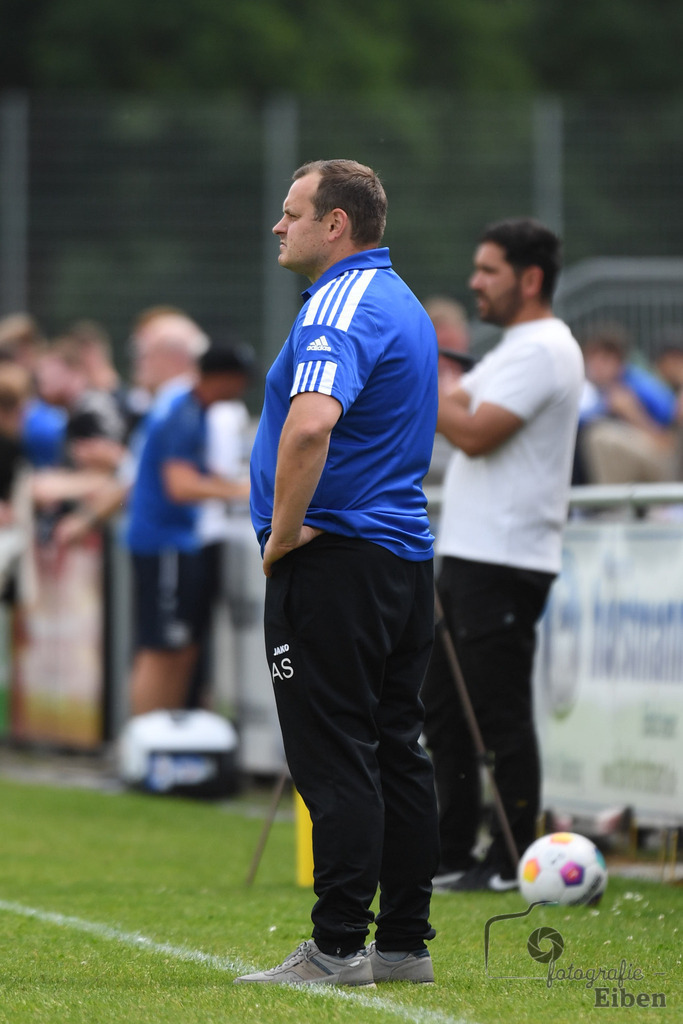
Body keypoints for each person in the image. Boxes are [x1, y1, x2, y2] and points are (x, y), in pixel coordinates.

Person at [237, 159, 439, 987]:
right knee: (398, 750)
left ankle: (336, 948)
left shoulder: (337, 303)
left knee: (336, 755)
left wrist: (282, 536)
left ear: (336, 225)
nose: (278, 227)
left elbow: (309, 427)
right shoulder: (405, 302)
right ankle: (401, 945)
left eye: (292, 213)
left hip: (336, 563)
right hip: (401, 563)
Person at [421, 217, 584, 893]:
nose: (474, 282)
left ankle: (511, 857)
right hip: (470, 553)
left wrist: (416, 373)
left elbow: (472, 430)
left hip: (504, 559)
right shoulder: (514, 347)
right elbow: (458, 405)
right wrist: (441, 390)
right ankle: (452, 850)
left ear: (529, 279)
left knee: (497, 715)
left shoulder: (542, 349)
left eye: (487, 271)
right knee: (446, 713)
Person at [125, 342, 251, 716]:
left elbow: (197, 474)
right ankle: (145, 743)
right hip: (165, 543)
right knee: (161, 648)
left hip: (176, 542)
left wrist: (236, 485)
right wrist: (244, 491)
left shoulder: (193, 411)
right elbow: (180, 486)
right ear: (224, 379)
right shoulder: (183, 414)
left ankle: (168, 742)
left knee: (182, 648)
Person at [577, 324, 679, 484]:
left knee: (601, 437)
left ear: (618, 361)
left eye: (603, 360)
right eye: (592, 360)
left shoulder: (642, 385)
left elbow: (667, 442)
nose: (595, 367)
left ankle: (612, 505)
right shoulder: (593, 389)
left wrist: (633, 413)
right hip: (635, 459)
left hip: (664, 463)